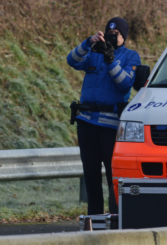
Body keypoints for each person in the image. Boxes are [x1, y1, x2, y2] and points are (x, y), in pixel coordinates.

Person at [67, 17, 141, 215]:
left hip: (110, 127)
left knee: (112, 177)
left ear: (124, 37)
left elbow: (125, 83)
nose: (112, 36)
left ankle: (116, 219)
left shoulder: (131, 56)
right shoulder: (93, 52)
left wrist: (110, 60)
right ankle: (95, 221)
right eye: (109, 33)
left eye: (116, 34)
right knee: (91, 177)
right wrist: (88, 42)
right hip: (86, 123)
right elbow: (72, 60)